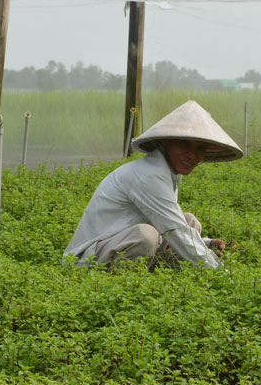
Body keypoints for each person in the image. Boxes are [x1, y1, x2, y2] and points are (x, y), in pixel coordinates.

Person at [63, 100, 244, 268]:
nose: (192, 155)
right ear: (166, 143)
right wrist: (219, 270)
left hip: (119, 242)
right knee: (146, 236)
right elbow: (174, 230)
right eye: (184, 145)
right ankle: (120, 284)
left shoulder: (167, 173)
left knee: (190, 221)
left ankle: (158, 277)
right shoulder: (149, 175)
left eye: (200, 149)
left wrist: (205, 244)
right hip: (86, 258)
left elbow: (171, 224)